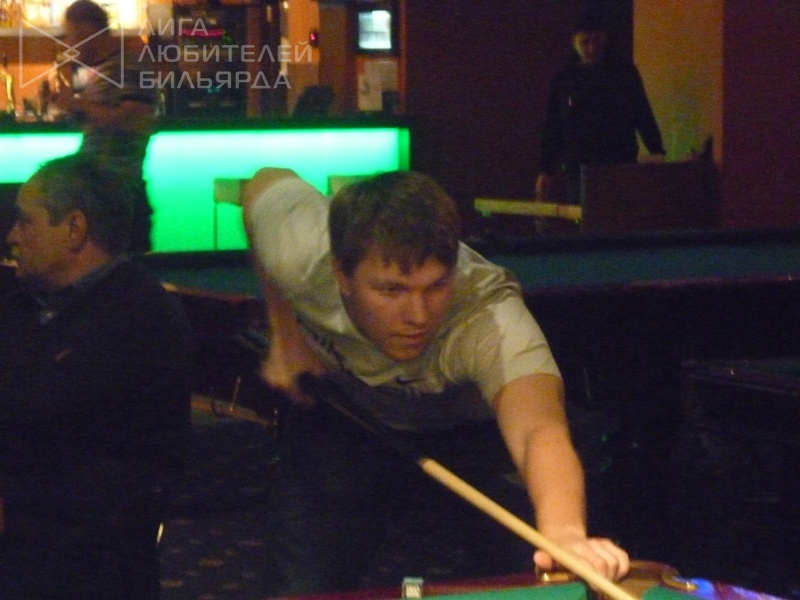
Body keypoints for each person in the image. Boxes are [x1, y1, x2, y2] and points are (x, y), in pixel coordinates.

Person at [241, 167, 630, 595]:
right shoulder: (302, 256)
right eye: (392, 290)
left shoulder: (489, 316)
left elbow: (539, 428)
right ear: (341, 275)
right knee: (301, 587)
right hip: (348, 414)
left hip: (478, 437)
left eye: (436, 285)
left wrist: (565, 533)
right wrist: (284, 331)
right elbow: (261, 185)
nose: (418, 315)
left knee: (522, 582)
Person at [0, 154, 193, 599]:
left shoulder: (136, 317)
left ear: (74, 229)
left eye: (26, 223)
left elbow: (45, 424)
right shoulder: (33, 302)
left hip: (82, 553)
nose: (12, 237)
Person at [48, 0, 157, 253]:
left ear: (87, 31)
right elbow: (103, 121)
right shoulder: (103, 70)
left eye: (71, 36)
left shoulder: (128, 65)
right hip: (102, 189)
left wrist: (79, 104)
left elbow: (133, 119)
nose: (69, 44)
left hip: (119, 190)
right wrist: (74, 108)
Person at [536, 12, 665, 204]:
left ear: (605, 38)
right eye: (585, 43)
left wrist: (656, 149)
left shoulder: (623, 71)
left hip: (618, 162)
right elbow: (553, 125)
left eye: (596, 40)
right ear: (574, 43)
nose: (592, 48)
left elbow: (641, 110)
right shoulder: (565, 78)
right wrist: (545, 168)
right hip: (579, 167)